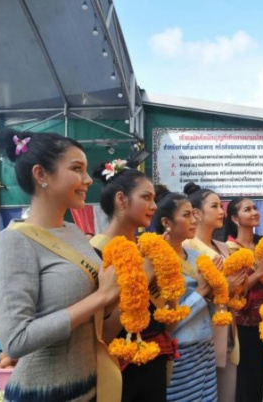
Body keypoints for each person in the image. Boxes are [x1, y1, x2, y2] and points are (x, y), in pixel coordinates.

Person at [0, 128, 120, 401]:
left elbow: (94, 311)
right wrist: (101, 298)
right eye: (77, 168)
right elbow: (15, 340)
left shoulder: (74, 232)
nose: (87, 180)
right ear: (41, 175)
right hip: (42, 393)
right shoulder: (13, 241)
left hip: (89, 386)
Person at [91, 160, 175, 402]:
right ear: (121, 200)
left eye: (153, 199)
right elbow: (102, 335)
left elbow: (168, 321)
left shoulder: (148, 249)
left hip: (155, 359)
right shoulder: (95, 254)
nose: (154, 206)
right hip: (117, 367)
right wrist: (144, 275)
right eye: (146, 198)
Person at [152, 185, 218, 401]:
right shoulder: (156, 261)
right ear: (166, 223)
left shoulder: (195, 255)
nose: (194, 221)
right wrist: (201, 292)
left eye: (194, 214)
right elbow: (166, 318)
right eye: (186, 215)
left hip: (205, 343)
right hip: (180, 347)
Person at [183, 182, 246, 402]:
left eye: (221, 206)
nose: (222, 211)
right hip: (203, 333)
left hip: (228, 330)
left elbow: (236, 288)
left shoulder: (223, 246)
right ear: (197, 214)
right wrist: (222, 289)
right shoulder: (187, 247)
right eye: (215, 206)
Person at [224, 198, 263, 402]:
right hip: (245, 325)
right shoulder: (229, 249)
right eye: (247, 210)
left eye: (255, 208)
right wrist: (260, 272)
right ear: (234, 218)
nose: (255, 212)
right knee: (249, 379)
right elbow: (234, 290)